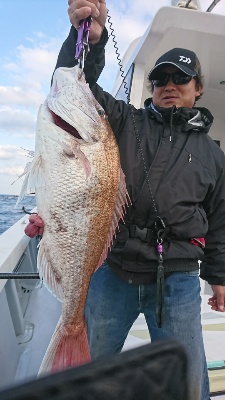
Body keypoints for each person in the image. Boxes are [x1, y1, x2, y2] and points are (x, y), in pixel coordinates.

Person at [26, 1, 225, 399]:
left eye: (180, 78)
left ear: (198, 88)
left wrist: (218, 279)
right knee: (90, 368)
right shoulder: (123, 120)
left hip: (178, 278)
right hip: (112, 267)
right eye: (160, 78)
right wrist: (90, 39)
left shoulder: (214, 155)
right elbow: (79, 84)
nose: (168, 85)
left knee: (189, 382)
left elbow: (219, 220)